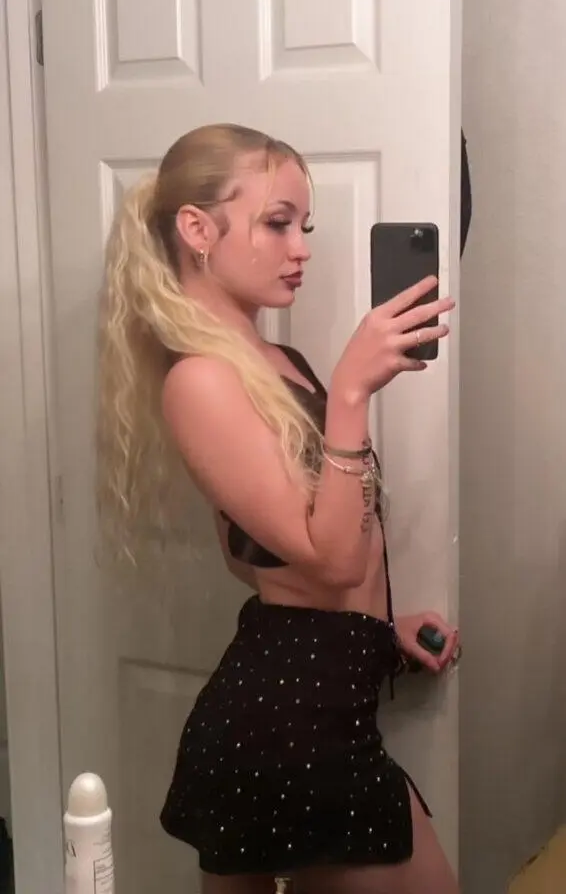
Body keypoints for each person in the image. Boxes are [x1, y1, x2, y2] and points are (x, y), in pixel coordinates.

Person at [96, 124, 460, 894]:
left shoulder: (276, 363)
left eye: (305, 227)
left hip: (315, 702)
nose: (301, 249)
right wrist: (351, 392)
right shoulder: (200, 380)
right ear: (197, 230)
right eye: (276, 223)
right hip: (282, 728)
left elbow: (255, 554)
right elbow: (334, 559)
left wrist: (376, 630)